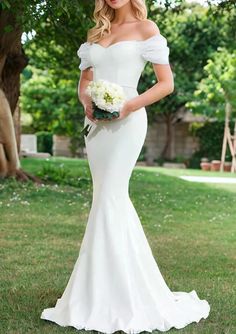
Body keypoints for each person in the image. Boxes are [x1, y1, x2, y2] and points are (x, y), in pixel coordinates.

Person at [40, 0, 210, 332]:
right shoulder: (97, 31)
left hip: (128, 122)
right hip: (96, 127)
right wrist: (87, 103)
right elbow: (84, 82)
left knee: (111, 196)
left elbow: (166, 84)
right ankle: (101, 288)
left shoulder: (147, 29)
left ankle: (116, 293)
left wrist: (128, 106)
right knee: (103, 197)